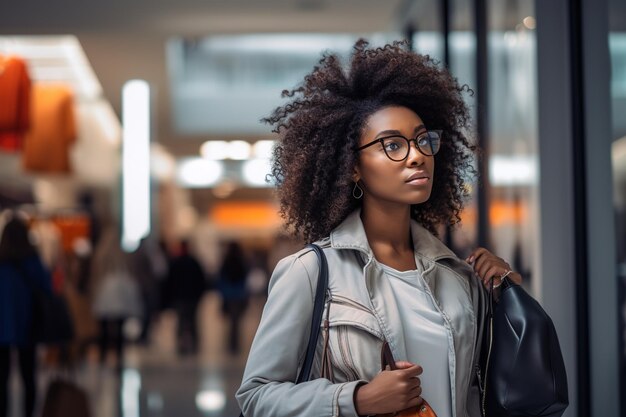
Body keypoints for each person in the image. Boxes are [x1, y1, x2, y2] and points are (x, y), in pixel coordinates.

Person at [236, 39, 523, 417]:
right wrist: (356, 400)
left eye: (423, 140)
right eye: (392, 145)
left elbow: (488, 388)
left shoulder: (459, 276)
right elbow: (256, 396)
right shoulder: (309, 272)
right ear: (353, 166)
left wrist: (512, 300)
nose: (417, 155)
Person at [0, 214, 52, 417]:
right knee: (28, 376)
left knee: (1, 379)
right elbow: (46, 288)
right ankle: (28, 413)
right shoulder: (33, 261)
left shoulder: (1, 262)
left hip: (2, 326)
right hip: (28, 324)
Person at [166, 240, 206, 355]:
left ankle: (185, 343)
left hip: (185, 297)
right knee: (188, 321)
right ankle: (189, 344)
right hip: (188, 297)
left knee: (185, 321)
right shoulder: (192, 262)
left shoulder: (178, 262)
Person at [217, 241, 250, 354]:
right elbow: (245, 278)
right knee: (236, 321)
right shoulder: (242, 261)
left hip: (229, 294)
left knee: (232, 321)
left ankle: (232, 343)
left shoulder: (226, 261)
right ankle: (234, 343)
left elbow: (222, 278)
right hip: (239, 294)